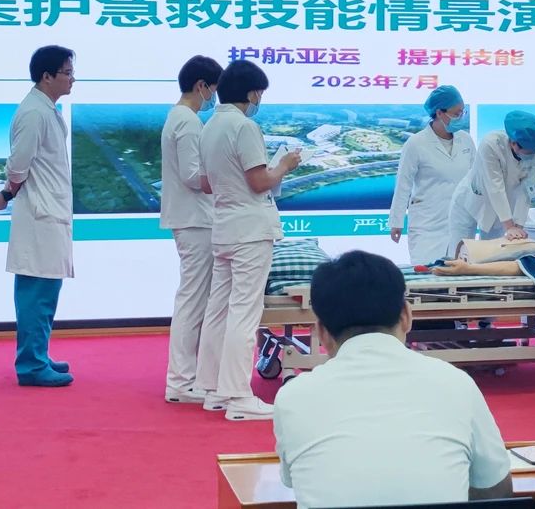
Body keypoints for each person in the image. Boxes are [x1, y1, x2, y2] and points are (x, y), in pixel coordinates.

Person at [273, 250, 513, 508]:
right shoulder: (455, 383)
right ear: (406, 315)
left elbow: (296, 481)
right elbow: (496, 489)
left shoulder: (293, 397)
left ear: (321, 331)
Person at [194, 59, 301, 420]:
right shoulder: (244, 126)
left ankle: (213, 390)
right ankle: (239, 396)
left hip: (224, 226)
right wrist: (284, 166)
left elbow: (207, 183)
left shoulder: (209, 126)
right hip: (250, 229)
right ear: (252, 93)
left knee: (219, 310)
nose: (259, 100)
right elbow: (259, 182)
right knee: (244, 311)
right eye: (260, 93)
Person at [0, 45, 76, 387]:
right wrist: (8, 191)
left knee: (45, 290)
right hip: (40, 214)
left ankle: (37, 354)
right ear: (47, 76)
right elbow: (18, 166)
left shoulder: (46, 109)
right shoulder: (33, 113)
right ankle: (31, 364)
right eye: (67, 72)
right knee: (36, 293)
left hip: (48, 211)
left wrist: (8, 192)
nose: (72, 79)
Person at [160, 55, 223, 404]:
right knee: (193, 301)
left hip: (192, 218)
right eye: (214, 89)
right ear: (201, 86)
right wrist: (229, 179)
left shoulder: (181, 118)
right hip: (195, 220)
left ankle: (188, 377)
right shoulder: (187, 121)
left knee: (194, 299)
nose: (215, 97)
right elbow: (191, 175)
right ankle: (181, 382)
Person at [389, 85, 475, 265]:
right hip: (428, 223)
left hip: (462, 221)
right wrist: (396, 222)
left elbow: (476, 179)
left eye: (463, 112)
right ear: (439, 113)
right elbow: (403, 184)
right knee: (427, 272)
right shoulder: (416, 143)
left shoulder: (466, 140)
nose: (461, 117)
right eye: (456, 113)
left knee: (460, 271)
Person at [447, 110, 535, 258]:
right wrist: (509, 226)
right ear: (514, 143)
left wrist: (518, 227)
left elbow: (528, 189)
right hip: (470, 203)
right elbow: (495, 186)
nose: (533, 156)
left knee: (493, 256)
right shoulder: (491, 144)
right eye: (529, 152)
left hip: (501, 209)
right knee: (460, 252)